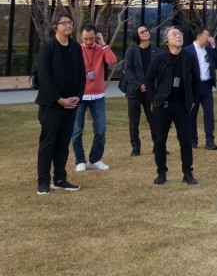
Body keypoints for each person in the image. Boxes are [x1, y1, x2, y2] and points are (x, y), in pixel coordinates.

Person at [35, 13, 86, 195]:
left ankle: (60, 179)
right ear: (55, 26)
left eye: (70, 22)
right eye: (63, 23)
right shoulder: (48, 47)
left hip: (70, 104)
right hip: (51, 105)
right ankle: (43, 182)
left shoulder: (75, 47)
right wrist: (59, 99)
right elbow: (44, 77)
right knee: (48, 143)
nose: (68, 25)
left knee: (63, 144)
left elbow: (82, 74)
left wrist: (77, 96)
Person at [145, 27, 200, 185]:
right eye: (174, 34)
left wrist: (193, 99)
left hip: (182, 105)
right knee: (160, 141)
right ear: (167, 40)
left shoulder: (189, 57)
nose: (179, 36)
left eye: (180, 34)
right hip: (163, 104)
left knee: (185, 140)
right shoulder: (160, 58)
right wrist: (154, 98)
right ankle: (161, 173)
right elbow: (148, 79)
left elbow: (196, 80)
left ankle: (187, 173)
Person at [71, 24, 118, 172]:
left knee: (100, 129)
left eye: (91, 38)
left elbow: (113, 61)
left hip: (98, 96)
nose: (88, 42)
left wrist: (103, 44)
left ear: (96, 36)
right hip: (80, 96)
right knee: (77, 130)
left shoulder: (101, 49)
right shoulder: (76, 50)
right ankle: (80, 160)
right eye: (85, 39)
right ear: (81, 37)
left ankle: (94, 159)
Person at [121, 24, 156, 157]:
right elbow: (128, 70)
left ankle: (158, 146)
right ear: (137, 36)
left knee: (154, 120)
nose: (146, 32)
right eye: (142, 32)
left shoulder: (156, 51)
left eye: (146, 30)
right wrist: (139, 85)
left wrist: (150, 85)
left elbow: (159, 70)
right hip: (134, 91)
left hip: (150, 92)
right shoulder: (131, 51)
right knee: (134, 122)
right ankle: (136, 148)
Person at [185, 25, 217, 149]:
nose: (208, 37)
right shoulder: (187, 50)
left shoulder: (209, 49)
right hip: (193, 87)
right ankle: (192, 140)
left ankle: (210, 140)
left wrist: (213, 45)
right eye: (206, 35)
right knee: (192, 114)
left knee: (209, 113)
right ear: (199, 36)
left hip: (207, 86)